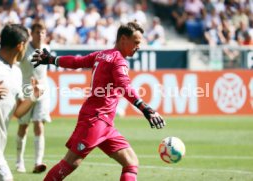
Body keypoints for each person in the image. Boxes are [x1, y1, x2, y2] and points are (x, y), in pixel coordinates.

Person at [32, 21, 166, 181]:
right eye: (136, 42)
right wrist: (146, 109)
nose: (139, 46)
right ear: (124, 39)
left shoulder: (101, 55)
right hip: (95, 120)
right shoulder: (118, 60)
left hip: (104, 123)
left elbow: (77, 62)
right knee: (71, 162)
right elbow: (125, 86)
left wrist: (52, 60)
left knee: (131, 161)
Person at [0, 24, 42, 181]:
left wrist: (33, 97)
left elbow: (18, 112)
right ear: (20, 46)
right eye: (26, 45)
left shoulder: (16, 72)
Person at [16, 22, 51, 174]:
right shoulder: (24, 49)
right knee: (24, 126)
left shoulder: (47, 49)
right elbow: (15, 66)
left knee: (39, 124)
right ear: (32, 33)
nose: (40, 35)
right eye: (37, 32)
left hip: (42, 91)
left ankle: (38, 162)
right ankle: (19, 161)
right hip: (25, 91)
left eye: (42, 32)